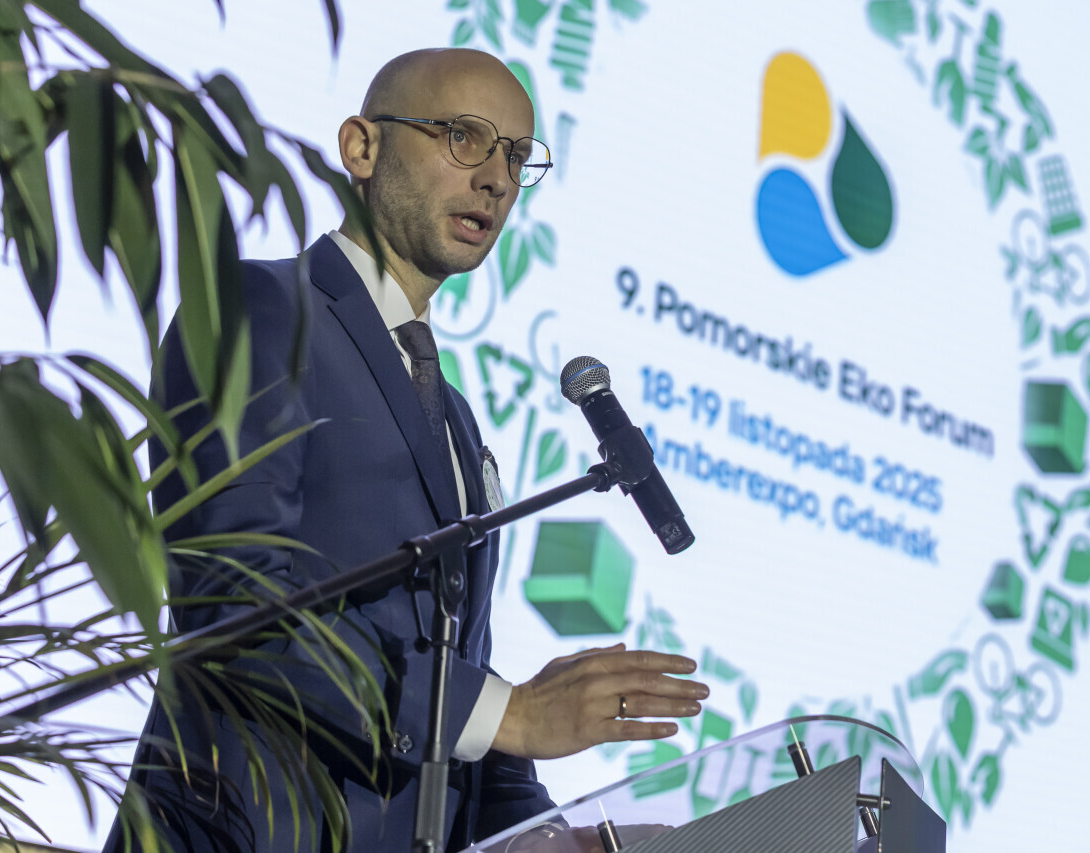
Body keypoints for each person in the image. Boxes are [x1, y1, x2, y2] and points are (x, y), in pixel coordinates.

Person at [106, 48, 709, 853]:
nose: (496, 179)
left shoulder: (454, 418)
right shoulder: (262, 309)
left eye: (516, 156)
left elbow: (463, 683)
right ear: (361, 147)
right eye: (465, 137)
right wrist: (512, 711)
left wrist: (551, 837)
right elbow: (235, 602)